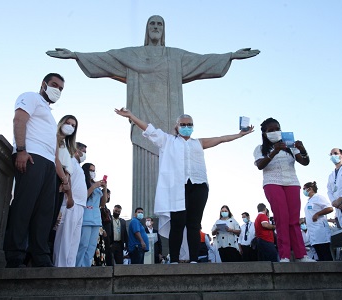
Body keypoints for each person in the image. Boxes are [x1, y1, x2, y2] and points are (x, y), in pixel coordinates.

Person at [47, 15, 260, 217]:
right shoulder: (133, 55)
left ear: (164, 29)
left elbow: (203, 61)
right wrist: (76, 55)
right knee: (146, 163)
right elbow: (107, 58)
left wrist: (230, 56)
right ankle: (145, 216)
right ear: (147, 30)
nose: (156, 27)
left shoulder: (175, 56)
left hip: (170, 124)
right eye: (152, 24)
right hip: (143, 121)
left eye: (159, 24)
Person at [115, 108, 254, 264]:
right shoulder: (167, 140)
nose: (186, 126)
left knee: (194, 224)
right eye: (183, 124)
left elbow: (221, 138)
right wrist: (131, 116)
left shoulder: (198, 143)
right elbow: (149, 129)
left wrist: (239, 134)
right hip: (177, 187)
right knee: (178, 223)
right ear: (177, 126)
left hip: (199, 185)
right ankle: (174, 260)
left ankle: (194, 259)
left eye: (189, 124)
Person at [3, 73, 65, 268]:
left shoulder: (49, 114)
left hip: (48, 164)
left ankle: (40, 255)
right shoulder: (31, 97)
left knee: (44, 213)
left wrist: (62, 177)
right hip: (31, 157)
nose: (57, 90)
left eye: (61, 88)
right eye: (55, 85)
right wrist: (21, 150)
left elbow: (55, 153)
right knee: (24, 206)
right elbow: (19, 121)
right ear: (43, 84)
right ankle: (14, 255)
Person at [254, 117, 314, 262]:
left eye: (277, 129)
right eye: (271, 130)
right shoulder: (260, 149)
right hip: (272, 183)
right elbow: (260, 165)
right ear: (264, 134)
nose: (275, 132)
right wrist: (274, 152)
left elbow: (304, 162)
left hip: (292, 182)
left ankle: (301, 254)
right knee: (282, 218)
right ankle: (285, 254)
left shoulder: (290, 146)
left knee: (294, 219)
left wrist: (302, 149)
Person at [53, 142, 88, 267]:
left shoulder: (78, 166)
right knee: (65, 241)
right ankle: (60, 268)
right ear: (77, 150)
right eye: (83, 151)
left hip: (80, 206)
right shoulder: (70, 161)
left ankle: (70, 269)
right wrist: (69, 197)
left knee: (73, 242)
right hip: (70, 204)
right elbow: (66, 180)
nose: (85, 154)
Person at [49, 115, 78, 258]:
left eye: (73, 125)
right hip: (53, 179)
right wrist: (64, 180)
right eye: (68, 123)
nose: (70, 127)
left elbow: (68, 171)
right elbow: (56, 161)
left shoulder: (66, 145)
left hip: (61, 184)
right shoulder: (52, 137)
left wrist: (68, 192)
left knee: (53, 221)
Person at [76, 163, 106, 267]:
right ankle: (77, 266)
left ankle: (86, 267)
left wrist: (105, 188)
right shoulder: (82, 182)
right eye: (91, 170)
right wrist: (93, 187)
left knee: (92, 246)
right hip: (85, 218)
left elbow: (102, 203)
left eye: (94, 170)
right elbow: (83, 198)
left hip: (96, 219)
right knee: (83, 245)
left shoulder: (96, 185)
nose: (93, 172)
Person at [303, 181, 334, 261]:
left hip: (320, 229)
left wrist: (317, 214)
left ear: (310, 189)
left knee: (325, 253)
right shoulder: (309, 201)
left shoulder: (318, 197)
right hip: (312, 232)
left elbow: (329, 208)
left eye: (304, 189)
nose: (303, 191)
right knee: (319, 254)